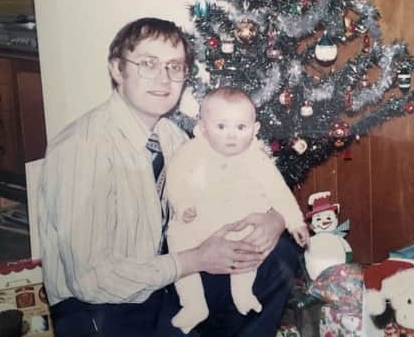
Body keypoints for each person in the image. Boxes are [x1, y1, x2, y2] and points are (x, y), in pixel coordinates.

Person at [37, 17, 299, 337]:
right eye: (148, 63)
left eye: (175, 66)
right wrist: (195, 260)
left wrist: (274, 219)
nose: (163, 78)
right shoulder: (81, 149)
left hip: (161, 281)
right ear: (117, 69)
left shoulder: (171, 137)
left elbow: (232, 187)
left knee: (279, 257)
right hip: (99, 306)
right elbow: (91, 280)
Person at [165, 87, 310, 334]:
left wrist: (295, 221)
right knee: (176, 237)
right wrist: (183, 205)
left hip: (242, 225)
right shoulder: (191, 152)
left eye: (240, 128)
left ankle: (243, 293)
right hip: (199, 225)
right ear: (202, 128)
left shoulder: (256, 158)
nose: (231, 135)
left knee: (251, 249)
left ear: (254, 130)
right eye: (221, 127)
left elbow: (279, 191)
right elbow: (176, 180)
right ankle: (192, 302)